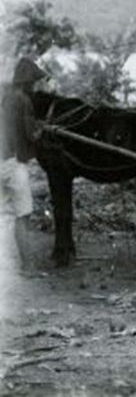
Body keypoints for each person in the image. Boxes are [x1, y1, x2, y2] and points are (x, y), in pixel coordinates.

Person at [1, 56, 48, 271]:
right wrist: (43, 130)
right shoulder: (24, 100)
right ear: (27, 81)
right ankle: (28, 268)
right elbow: (30, 135)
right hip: (14, 162)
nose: (35, 85)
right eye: (34, 82)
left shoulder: (6, 97)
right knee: (23, 215)